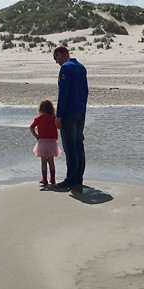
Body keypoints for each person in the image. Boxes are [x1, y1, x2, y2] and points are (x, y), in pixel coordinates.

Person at [52, 45, 88, 191]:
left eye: (55, 58)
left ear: (61, 54)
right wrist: (83, 110)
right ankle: (78, 178)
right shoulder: (81, 67)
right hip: (80, 111)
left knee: (70, 147)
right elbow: (85, 91)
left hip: (69, 113)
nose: (56, 62)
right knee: (79, 145)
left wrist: (59, 115)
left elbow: (63, 93)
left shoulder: (66, 68)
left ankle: (71, 179)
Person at [29, 99, 61, 186]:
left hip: (42, 142)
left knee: (43, 162)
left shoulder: (39, 118)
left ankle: (44, 179)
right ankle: (52, 179)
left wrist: (36, 136)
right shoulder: (54, 117)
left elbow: (31, 127)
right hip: (52, 142)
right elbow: (59, 126)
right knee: (51, 161)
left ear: (41, 109)